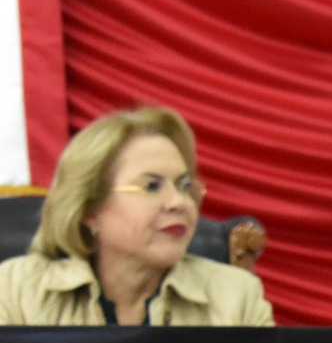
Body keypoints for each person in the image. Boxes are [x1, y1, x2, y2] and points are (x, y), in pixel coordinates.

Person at [0, 106, 274, 326]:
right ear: (89, 209)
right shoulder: (15, 290)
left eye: (183, 186)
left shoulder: (237, 297)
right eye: (152, 186)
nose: (179, 202)